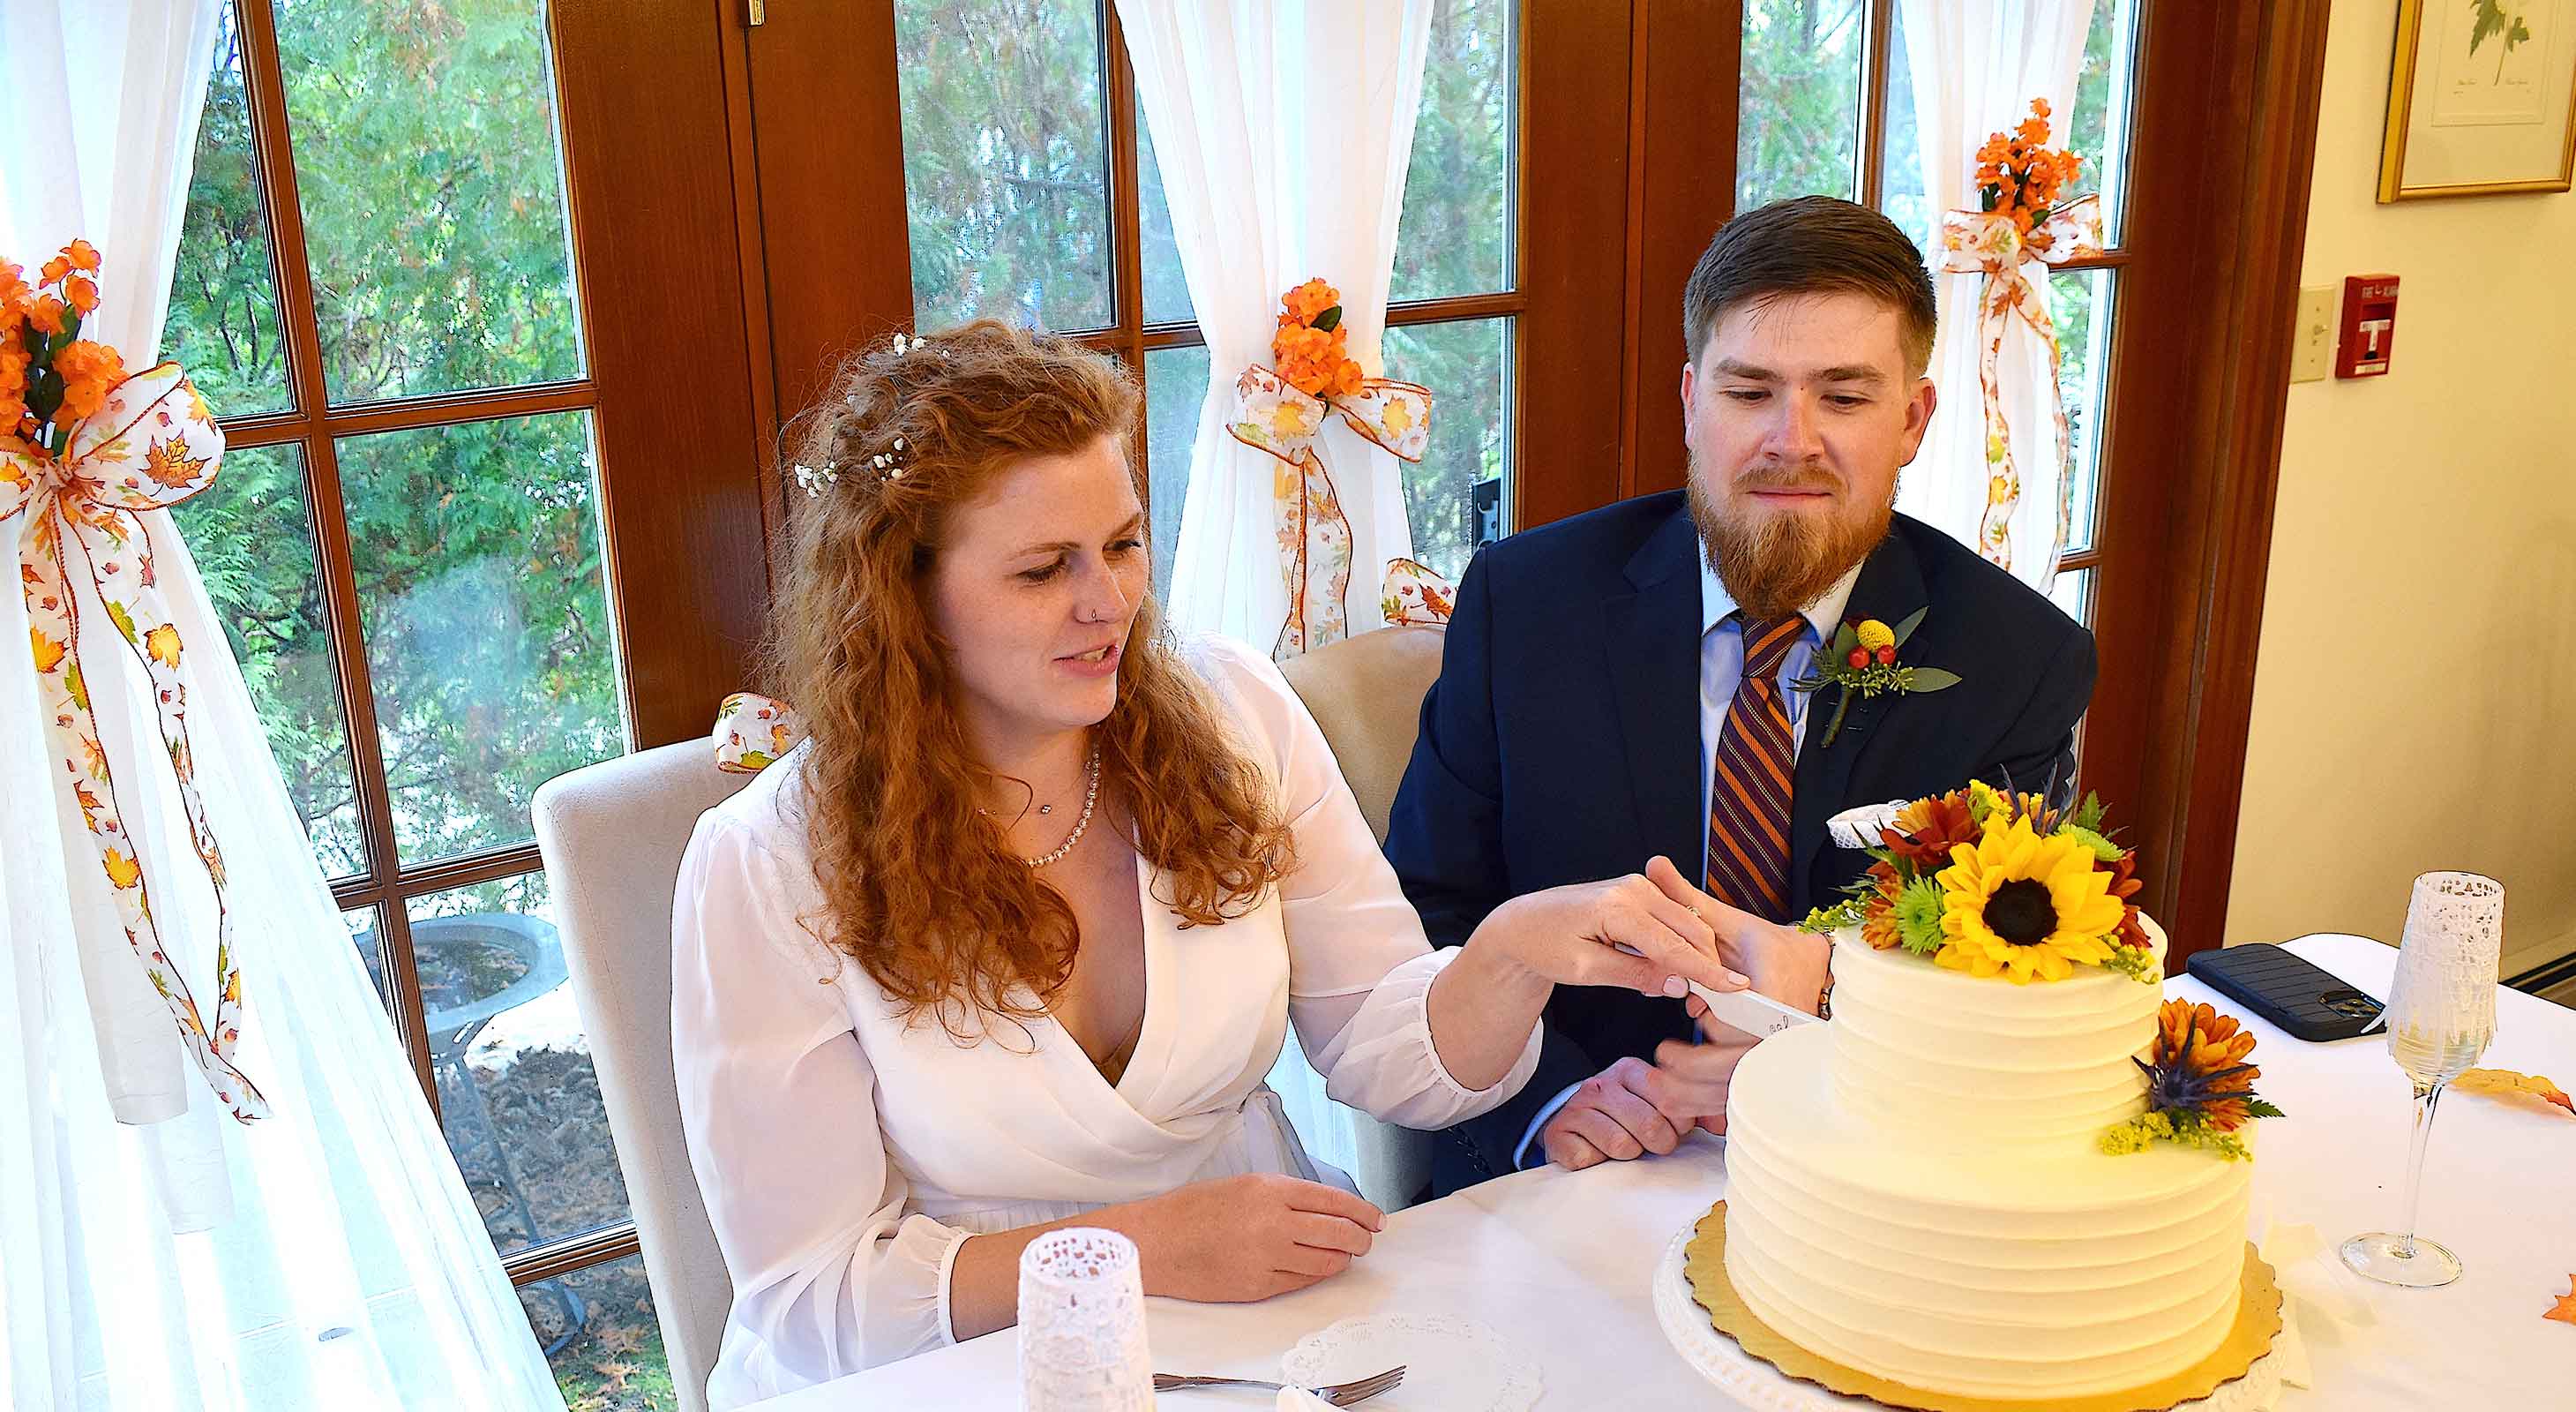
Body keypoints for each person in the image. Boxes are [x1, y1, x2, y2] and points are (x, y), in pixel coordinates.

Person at [670, 320, 1752, 1404]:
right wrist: (1143, 1247)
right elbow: (813, 1299)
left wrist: (1515, 951)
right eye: (1045, 569)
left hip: (1263, 1301)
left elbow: (1383, 1047)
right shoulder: (768, 863)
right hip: (947, 1363)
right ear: (903, 599)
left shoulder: (1230, 713)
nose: (1108, 601)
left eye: (1124, 544)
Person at [1385, 196, 2098, 1195]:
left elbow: (2011, 968)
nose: (1789, 440)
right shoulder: (1526, 603)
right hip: (1567, 1162)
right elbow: (1420, 908)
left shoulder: (2018, 659)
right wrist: (1547, 1094)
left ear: (1913, 420)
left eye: (1843, 397)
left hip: (1869, 1168)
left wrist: (1828, 1045)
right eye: (1749, 390)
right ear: (1690, 401)